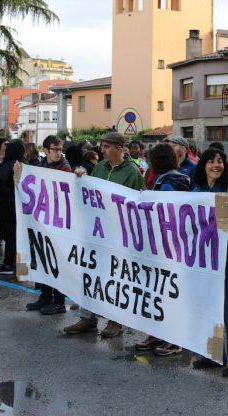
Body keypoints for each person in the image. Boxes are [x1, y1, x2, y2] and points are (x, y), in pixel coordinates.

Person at [63, 132, 144, 338]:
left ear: (119, 148)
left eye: (107, 146)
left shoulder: (132, 172)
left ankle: (115, 321)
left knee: (115, 277)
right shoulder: (99, 167)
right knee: (90, 273)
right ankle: (87, 318)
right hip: (96, 232)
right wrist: (82, 179)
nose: (103, 150)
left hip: (118, 234)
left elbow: (139, 205)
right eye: (102, 146)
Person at [190, 147, 228, 377]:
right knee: (208, 310)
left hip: (226, 259)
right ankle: (214, 357)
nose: (217, 165)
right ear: (203, 164)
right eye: (212, 161)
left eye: (220, 162)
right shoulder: (196, 189)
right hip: (203, 260)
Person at [134, 144, 190, 356]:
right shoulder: (180, 178)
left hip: (165, 246)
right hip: (174, 245)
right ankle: (159, 334)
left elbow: (163, 215)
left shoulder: (166, 183)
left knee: (162, 291)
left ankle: (172, 339)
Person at [26, 135, 72, 315]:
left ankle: (59, 301)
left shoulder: (65, 167)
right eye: (55, 149)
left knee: (57, 261)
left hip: (59, 223)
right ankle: (45, 296)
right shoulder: (41, 165)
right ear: (46, 151)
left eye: (61, 149)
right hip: (44, 221)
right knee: (44, 259)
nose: (59, 153)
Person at [0, 141, 26, 275]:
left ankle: (8, 263)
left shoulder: (9, 164)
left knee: (10, 236)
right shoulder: (26, 164)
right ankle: (20, 266)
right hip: (22, 206)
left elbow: (2, 184)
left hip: (8, 206)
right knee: (19, 236)